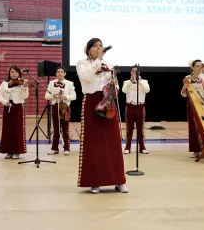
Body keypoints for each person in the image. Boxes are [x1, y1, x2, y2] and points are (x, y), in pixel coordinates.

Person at [76, 37, 128, 194]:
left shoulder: (109, 65)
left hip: (108, 102)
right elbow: (86, 78)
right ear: (89, 49)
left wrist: (114, 88)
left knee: (113, 143)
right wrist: (98, 60)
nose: (99, 48)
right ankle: (95, 181)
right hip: (92, 102)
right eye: (96, 46)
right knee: (94, 144)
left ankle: (119, 180)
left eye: (101, 46)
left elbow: (115, 82)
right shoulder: (82, 64)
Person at [181, 59, 204, 158]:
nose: (200, 68)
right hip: (193, 104)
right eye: (197, 66)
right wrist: (184, 87)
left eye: (201, 66)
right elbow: (183, 94)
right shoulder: (188, 78)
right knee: (194, 126)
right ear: (193, 68)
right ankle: (196, 150)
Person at [0, 65, 29, 159]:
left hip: (18, 108)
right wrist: (5, 102)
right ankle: (9, 151)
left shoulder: (22, 83)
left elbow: (25, 96)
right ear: (9, 73)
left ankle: (17, 151)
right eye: (12, 72)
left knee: (17, 130)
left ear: (19, 73)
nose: (13, 74)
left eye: (15, 72)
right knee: (7, 130)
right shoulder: (4, 83)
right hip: (7, 108)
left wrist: (24, 87)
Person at [45, 66, 76, 155]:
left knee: (65, 128)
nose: (59, 73)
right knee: (56, 128)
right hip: (55, 106)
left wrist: (66, 97)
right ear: (56, 74)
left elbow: (74, 96)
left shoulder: (70, 83)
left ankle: (67, 148)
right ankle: (54, 148)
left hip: (65, 107)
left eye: (61, 72)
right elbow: (46, 95)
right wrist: (53, 96)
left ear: (65, 73)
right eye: (58, 72)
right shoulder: (51, 83)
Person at [122, 66, 150, 154]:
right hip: (130, 107)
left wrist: (139, 82)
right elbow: (124, 90)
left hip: (140, 107)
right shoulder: (126, 82)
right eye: (133, 71)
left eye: (136, 71)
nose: (134, 73)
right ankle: (127, 147)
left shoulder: (144, 82)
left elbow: (147, 90)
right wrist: (131, 81)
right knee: (129, 128)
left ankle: (142, 147)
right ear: (131, 72)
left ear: (139, 73)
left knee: (140, 128)